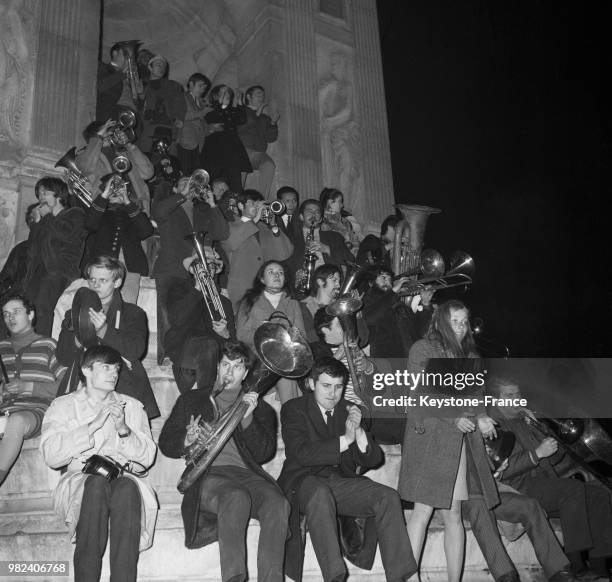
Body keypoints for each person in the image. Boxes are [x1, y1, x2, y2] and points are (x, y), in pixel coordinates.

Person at [158, 340, 289, 582]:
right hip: (208, 476)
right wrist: (188, 439)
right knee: (235, 496)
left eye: (237, 366)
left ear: (246, 373)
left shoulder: (262, 410)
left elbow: (264, 454)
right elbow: (166, 443)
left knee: (277, 502)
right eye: (225, 364)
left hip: (247, 474)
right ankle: (234, 577)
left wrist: (248, 421)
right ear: (217, 366)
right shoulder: (192, 399)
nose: (229, 371)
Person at [278, 357, 418, 582]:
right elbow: (300, 453)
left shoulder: (347, 409)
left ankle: (401, 577)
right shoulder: (293, 409)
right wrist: (345, 439)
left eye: (338, 387)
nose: (333, 393)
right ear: (312, 384)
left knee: (388, 496)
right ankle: (335, 577)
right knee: (319, 493)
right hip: (302, 482)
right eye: (326, 386)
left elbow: (374, 459)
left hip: (339, 483)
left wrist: (360, 432)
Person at [398, 300, 499, 582]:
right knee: (423, 510)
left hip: (455, 442)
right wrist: (455, 416)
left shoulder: (470, 354)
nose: (461, 326)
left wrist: (481, 416)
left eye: (464, 321)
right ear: (441, 321)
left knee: (453, 513)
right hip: (428, 436)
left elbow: (476, 395)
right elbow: (420, 394)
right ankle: (408, 577)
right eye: (455, 321)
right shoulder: (423, 349)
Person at [40, 345, 157, 582]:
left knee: (127, 487)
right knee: (95, 485)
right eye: (106, 367)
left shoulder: (132, 406)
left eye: (116, 368)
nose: (114, 373)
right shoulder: (62, 406)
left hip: (122, 478)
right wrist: (93, 425)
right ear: (86, 370)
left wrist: (124, 430)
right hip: (79, 481)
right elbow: (51, 455)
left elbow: (147, 459)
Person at [488, 376, 612, 581]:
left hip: (542, 481)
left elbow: (552, 460)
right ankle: (576, 565)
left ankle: (599, 567)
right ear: (495, 399)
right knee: (572, 489)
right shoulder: (495, 424)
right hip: (517, 487)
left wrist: (551, 437)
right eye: (509, 395)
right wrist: (537, 453)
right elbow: (503, 469)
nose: (517, 399)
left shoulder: (523, 419)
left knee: (599, 494)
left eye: (518, 394)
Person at [56, 256, 159, 420]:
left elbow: (136, 350)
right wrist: (81, 334)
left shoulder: (133, 313)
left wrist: (103, 330)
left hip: (122, 382)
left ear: (116, 282)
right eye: (92, 280)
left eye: (102, 280)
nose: (95, 285)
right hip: (84, 382)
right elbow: (63, 358)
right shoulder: (73, 314)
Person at [152, 173, 229, 364]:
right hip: (171, 269)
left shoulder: (202, 210)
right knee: (167, 317)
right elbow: (158, 213)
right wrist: (181, 195)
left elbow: (222, 233)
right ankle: (167, 356)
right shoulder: (169, 205)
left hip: (199, 270)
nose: (190, 185)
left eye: (192, 183)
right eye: (184, 182)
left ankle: (194, 357)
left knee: (196, 316)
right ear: (176, 189)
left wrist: (212, 204)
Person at [463, 458, 578, 582]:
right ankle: (506, 577)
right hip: (464, 497)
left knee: (529, 505)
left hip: (488, 492)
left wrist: (496, 471)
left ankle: (559, 572)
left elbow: (486, 472)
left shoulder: (476, 439)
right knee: (479, 508)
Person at [0, 295, 65, 486]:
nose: (10, 318)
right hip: (4, 411)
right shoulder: (1, 348)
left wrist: (29, 387)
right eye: (5, 314)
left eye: (16, 312)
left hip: (36, 412)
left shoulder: (48, 345)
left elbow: (66, 386)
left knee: (17, 421)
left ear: (31, 314)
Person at [165, 246, 235, 393]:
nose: (207, 270)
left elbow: (233, 344)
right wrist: (197, 288)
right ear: (192, 269)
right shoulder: (178, 289)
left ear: (216, 271)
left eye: (211, 266)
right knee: (207, 344)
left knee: (209, 346)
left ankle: (202, 399)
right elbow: (177, 319)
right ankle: (204, 398)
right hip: (183, 355)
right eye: (201, 265)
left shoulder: (224, 302)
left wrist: (225, 334)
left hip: (210, 357)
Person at [23, 177, 86, 336]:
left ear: (58, 193)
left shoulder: (75, 213)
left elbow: (67, 235)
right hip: (39, 273)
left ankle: (43, 347)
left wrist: (48, 217)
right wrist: (37, 224)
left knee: (43, 310)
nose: (40, 197)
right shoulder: (45, 220)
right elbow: (32, 250)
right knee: (29, 312)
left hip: (61, 272)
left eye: (45, 192)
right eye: (38, 194)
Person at [236, 260, 305, 403]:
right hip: (256, 358)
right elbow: (241, 334)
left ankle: (290, 417)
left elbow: (302, 336)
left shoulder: (293, 303)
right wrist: (265, 335)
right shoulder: (249, 301)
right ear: (262, 279)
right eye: (271, 272)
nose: (277, 275)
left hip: (284, 360)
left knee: (286, 373)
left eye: (280, 273)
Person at [220, 189, 293, 310]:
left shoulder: (263, 228)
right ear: (240, 205)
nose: (257, 207)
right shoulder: (230, 224)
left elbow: (284, 254)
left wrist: (273, 225)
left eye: (259, 204)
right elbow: (230, 243)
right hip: (240, 288)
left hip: (263, 289)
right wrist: (255, 220)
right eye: (253, 203)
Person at [84, 174, 154, 277]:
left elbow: (146, 232)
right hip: (100, 269)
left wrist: (127, 201)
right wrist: (104, 194)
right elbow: (89, 224)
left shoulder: (134, 213)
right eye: (112, 189)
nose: (115, 192)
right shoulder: (100, 212)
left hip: (131, 270)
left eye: (118, 189)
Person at [76, 118, 154, 210]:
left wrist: (129, 146)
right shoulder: (84, 155)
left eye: (109, 131)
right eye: (106, 130)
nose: (110, 133)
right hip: (111, 211)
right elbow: (86, 167)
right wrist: (98, 138)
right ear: (94, 136)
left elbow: (148, 173)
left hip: (138, 208)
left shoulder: (125, 153)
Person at [362, 265, 433, 358]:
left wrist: (425, 304)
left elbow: (419, 330)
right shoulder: (368, 300)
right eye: (383, 277)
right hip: (387, 361)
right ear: (371, 283)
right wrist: (393, 293)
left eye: (389, 277)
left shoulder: (399, 304)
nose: (387, 281)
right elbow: (370, 318)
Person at [287, 199, 354, 295]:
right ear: (301, 217)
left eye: (317, 212)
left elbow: (350, 259)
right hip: (302, 289)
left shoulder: (334, 237)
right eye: (309, 211)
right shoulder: (291, 238)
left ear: (321, 218)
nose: (313, 214)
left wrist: (328, 249)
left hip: (331, 287)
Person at [201, 84, 251, 193]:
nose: (227, 95)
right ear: (215, 96)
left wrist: (239, 102)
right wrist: (220, 104)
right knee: (212, 183)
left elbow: (242, 119)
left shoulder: (232, 111)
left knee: (235, 185)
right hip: (214, 153)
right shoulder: (209, 112)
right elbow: (216, 117)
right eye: (223, 93)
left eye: (228, 93)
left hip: (232, 152)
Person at [238, 85, 279, 199]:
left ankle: (262, 200)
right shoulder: (242, 111)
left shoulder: (264, 118)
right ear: (248, 96)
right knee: (241, 173)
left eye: (262, 95)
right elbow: (242, 127)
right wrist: (255, 114)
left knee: (269, 165)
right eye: (258, 94)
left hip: (258, 152)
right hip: (242, 149)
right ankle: (238, 200)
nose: (261, 97)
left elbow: (271, 138)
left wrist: (273, 123)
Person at [139, 54, 183, 154]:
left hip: (169, 129)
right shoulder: (142, 84)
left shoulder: (173, 85)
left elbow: (179, 103)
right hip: (148, 129)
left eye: (164, 67)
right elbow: (138, 107)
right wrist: (141, 97)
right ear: (150, 67)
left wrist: (179, 118)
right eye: (159, 65)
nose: (162, 68)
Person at [174, 73, 211, 176]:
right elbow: (181, 116)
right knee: (185, 173)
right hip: (185, 141)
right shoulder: (182, 97)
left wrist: (212, 128)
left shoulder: (201, 102)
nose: (202, 90)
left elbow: (201, 123)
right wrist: (202, 112)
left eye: (204, 88)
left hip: (199, 143)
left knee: (196, 175)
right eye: (200, 86)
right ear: (191, 84)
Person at [96, 43, 143, 123]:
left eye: (132, 57)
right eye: (126, 55)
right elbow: (99, 87)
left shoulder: (132, 75)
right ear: (115, 53)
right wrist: (121, 75)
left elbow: (139, 106)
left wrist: (140, 94)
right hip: (111, 120)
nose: (130, 59)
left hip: (131, 120)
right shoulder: (103, 68)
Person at [319, 187, 360, 254]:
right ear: (330, 202)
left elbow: (354, 240)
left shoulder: (345, 221)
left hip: (350, 254)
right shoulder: (321, 221)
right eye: (340, 201)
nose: (342, 205)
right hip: (334, 255)